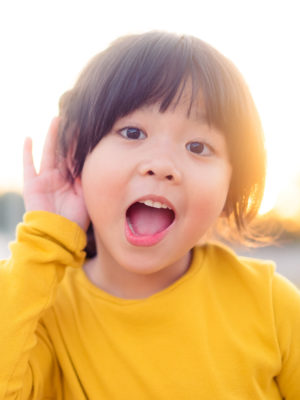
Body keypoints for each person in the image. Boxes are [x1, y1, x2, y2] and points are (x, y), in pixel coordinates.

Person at [0, 31, 299, 399]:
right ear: (78, 151)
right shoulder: (39, 309)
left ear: (232, 181)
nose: (161, 165)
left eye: (198, 146)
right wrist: (46, 239)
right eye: (131, 131)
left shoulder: (272, 306)